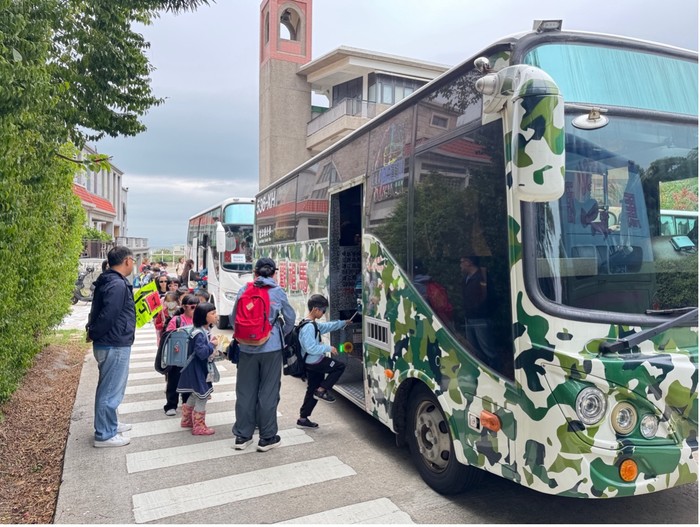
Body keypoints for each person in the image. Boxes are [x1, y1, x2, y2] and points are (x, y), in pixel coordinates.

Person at [232, 257, 295, 452]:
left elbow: (234, 319)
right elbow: (290, 318)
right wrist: (278, 333)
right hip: (271, 348)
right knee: (268, 392)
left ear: (255, 272)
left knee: (245, 392)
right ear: (274, 273)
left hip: (246, 348)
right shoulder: (278, 292)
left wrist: (245, 335)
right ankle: (267, 438)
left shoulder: (244, 290)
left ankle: (242, 437)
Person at [86, 246, 136, 448]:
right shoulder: (117, 284)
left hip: (111, 342)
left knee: (111, 387)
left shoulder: (109, 280)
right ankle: (105, 434)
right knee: (109, 391)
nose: (133, 264)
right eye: (133, 260)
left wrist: (92, 331)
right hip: (113, 343)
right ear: (127, 261)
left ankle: (111, 424)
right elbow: (108, 315)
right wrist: (94, 333)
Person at [297, 294, 350, 429]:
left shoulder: (310, 323)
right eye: (323, 310)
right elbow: (310, 348)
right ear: (315, 309)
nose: (324, 313)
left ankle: (303, 418)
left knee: (312, 389)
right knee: (339, 367)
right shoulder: (309, 327)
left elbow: (326, 326)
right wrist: (328, 348)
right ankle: (322, 390)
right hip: (315, 362)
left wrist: (343, 323)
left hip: (312, 362)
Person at [176, 302, 220, 435]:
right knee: (202, 396)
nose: (216, 315)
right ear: (203, 316)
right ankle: (199, 426)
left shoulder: (201, 331)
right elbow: (202, 353)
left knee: (195, 394)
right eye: (212, 313)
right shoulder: (199, 334)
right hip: (197, 370)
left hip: (195, 368)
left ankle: (187, 419)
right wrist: (212, 345)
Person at [163, 294, 200, 416]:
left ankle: (186, 405)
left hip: (192, 357)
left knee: (189, 383)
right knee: (174, 381)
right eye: (193, 307)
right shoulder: (176, 320)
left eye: (198, 307)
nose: (195, 310)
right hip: (177, 357)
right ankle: (171, 405)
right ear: (184, 307)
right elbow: (168, 336)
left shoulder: (199, 321)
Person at [460, 256, 497, 369]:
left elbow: (488, 296)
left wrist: (480, 309)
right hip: (469, 316)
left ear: (469, 262)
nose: (460, 265)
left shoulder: (481, 277)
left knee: (486, 346)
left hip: (480, 317)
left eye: (462, 262)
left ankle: (495, 368)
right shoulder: (467, 278)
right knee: (473, 347)